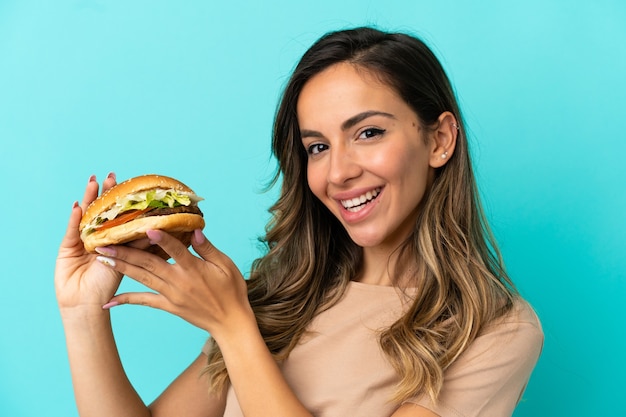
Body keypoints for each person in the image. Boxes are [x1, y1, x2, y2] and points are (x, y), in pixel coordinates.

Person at [55, 26, 543, 417]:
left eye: (368, 132)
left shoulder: (495, 332)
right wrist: (82, 313)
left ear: (439, 140)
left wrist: (234, 327)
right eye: (318, 147)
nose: (339, 172)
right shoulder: (280, 297)